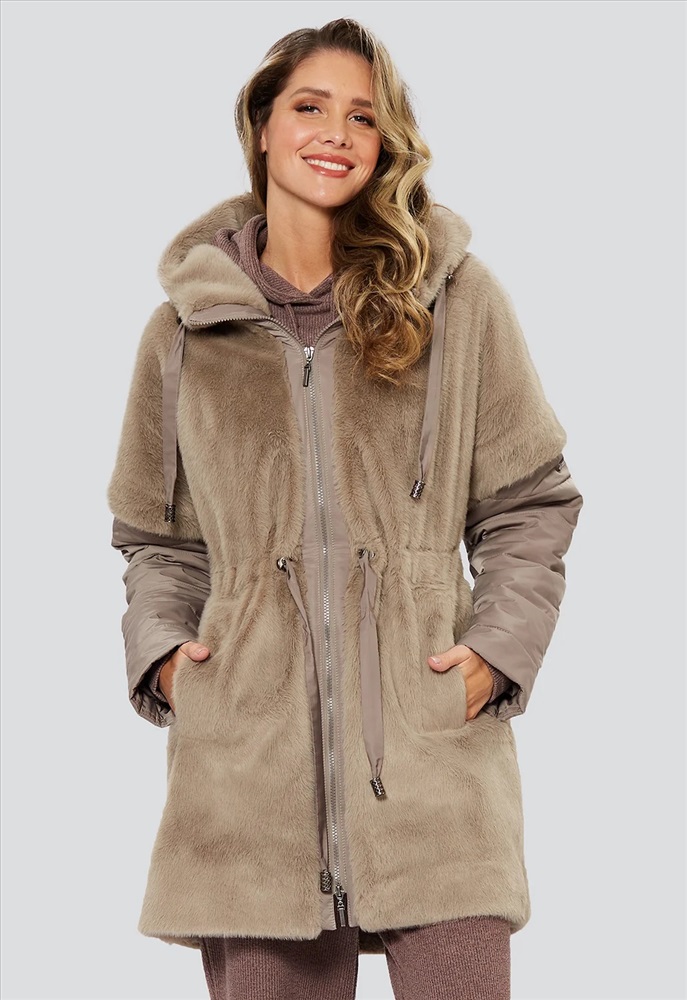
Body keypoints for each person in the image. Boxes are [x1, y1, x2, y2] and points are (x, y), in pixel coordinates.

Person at [107, 17, 584, 1000]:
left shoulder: (454, 302)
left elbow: (531, 503)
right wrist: (166, 658)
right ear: (263, 127)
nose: (335, 133)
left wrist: (496, 654)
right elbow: (157, 539)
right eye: (310, 107)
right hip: (248, 780)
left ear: (384, 142)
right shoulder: (183, 332)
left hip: (434, 764)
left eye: (363, 116)